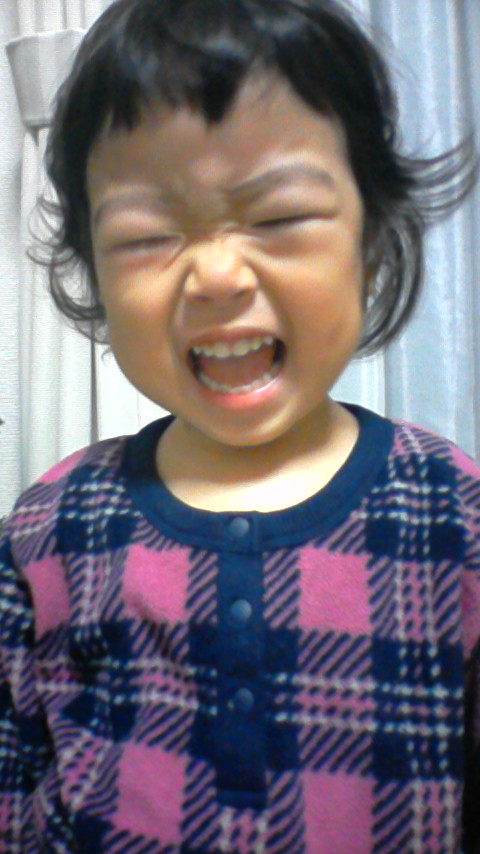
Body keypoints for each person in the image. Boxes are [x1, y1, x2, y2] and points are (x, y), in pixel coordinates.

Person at [1, 0, 479, 850]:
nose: (217, 275)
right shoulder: (48, 526)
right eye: (147, 234)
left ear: (372, 240)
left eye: (279, 217)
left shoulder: (455, 515)